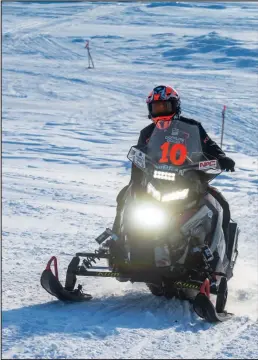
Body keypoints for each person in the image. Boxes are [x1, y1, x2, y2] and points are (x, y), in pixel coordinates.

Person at [112, 85, 235, 254]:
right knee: (124, 196)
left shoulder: (192, 127)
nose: (160, 112)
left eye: (165, 106)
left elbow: (209, 144)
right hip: (155, 180)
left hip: (188, 178)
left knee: (221, 204)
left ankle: (223, 255)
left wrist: (222, 158)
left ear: (175, 106)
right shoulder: (147, 132)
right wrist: (137, 180)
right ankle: (116, 240)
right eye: (156, 108)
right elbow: (140, 155)